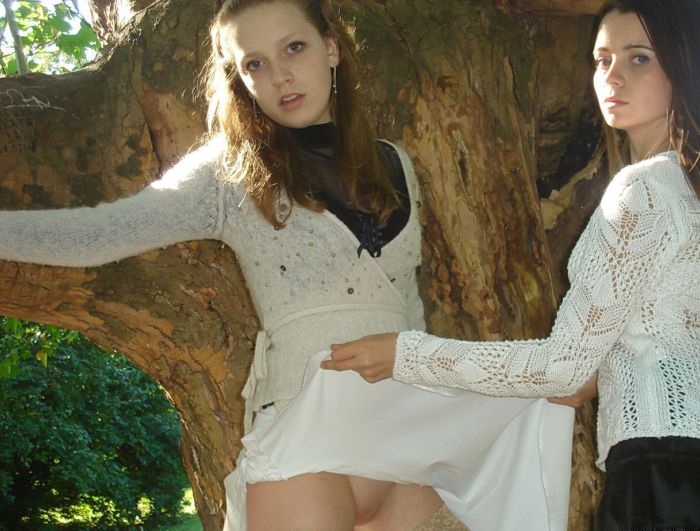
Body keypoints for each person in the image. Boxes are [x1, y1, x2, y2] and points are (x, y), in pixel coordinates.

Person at [0, 1, 574, 530]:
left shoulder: (397, 164)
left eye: (293, 48)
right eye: (255, 64)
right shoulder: (229, 173)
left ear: (331, 48)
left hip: (409, 445)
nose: (280, 76)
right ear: (240, 81)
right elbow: (100, 232)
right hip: (305, 438)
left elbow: (409, 311)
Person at [324, 1, 700, 530]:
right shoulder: (684, 189)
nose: (612, 77)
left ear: (684, 64)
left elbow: (563, 366)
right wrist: (605, 372)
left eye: (639, 58)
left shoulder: (645, 190)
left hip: (664, 475)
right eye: (602, 59)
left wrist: (404, 354)